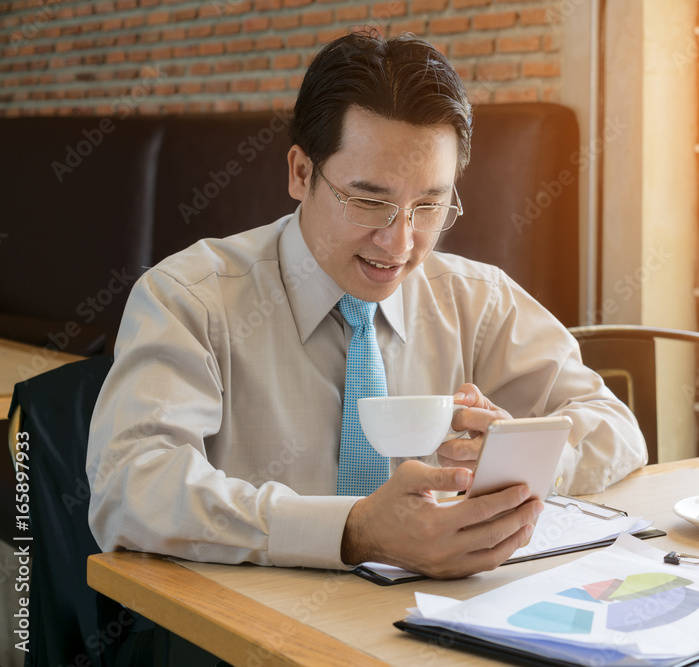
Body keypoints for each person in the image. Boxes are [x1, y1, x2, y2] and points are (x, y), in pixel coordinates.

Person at [86, 29, 646, 580]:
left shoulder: (477, 299)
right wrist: (353, 530)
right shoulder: (190, 299)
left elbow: (615, 428)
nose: (400, 244)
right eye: (368, 201)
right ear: (301, 173)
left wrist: (520, 463)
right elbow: (132, 486)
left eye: (429, 206)